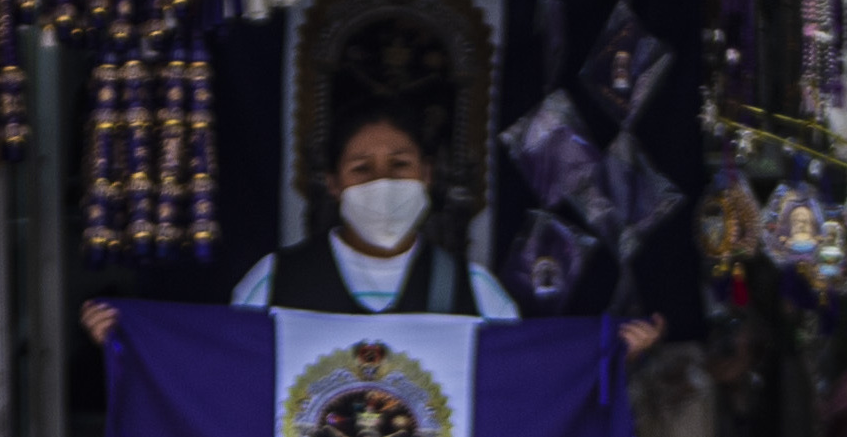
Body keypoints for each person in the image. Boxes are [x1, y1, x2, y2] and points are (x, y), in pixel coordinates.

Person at [84, 106, 663, 356]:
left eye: (401, 166)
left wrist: (606, 362)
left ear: (428, 176)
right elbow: (219, 378)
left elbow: (528, 390)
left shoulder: (474, 290)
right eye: (361, 169)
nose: (382, 182)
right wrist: (134, 348)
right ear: (333, 184)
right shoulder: (275, 280)